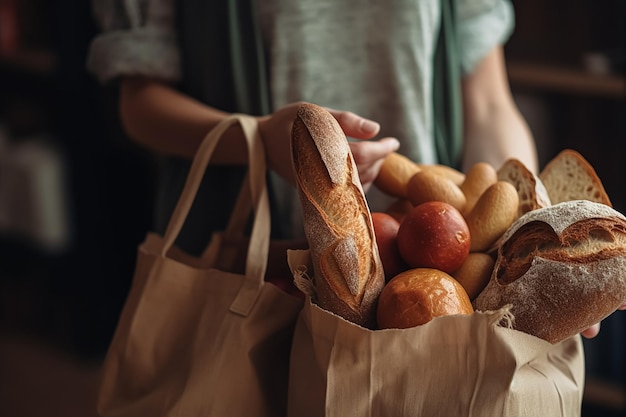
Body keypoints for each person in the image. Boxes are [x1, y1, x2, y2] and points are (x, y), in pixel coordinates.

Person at [87, 0, 620, 337]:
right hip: (254, 266)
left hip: (435, 273)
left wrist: (539, 236)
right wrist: (261, 138)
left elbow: (487, 103)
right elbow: (139, 103)